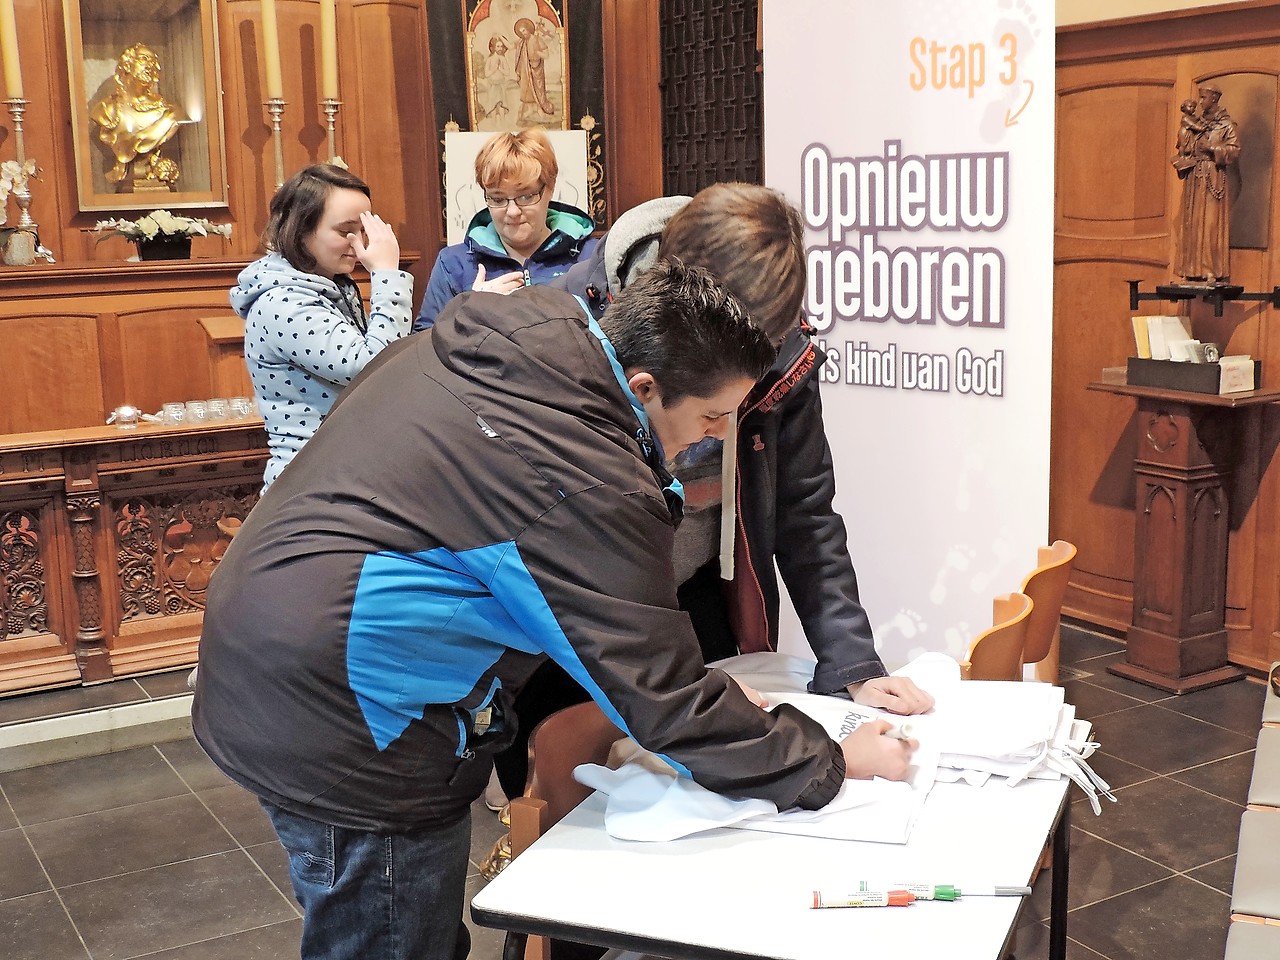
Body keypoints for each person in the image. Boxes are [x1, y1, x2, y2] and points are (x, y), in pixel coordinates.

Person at [192, 260, 918, 960]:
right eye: (712, 415)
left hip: (275, 646)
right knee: (391, 932)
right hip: (342, 716)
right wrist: (827, 761)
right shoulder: (579, 471)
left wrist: (710, 699)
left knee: (404, 928)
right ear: (642, 384)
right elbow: (662, 697)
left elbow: (627, 653)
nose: (719, 435)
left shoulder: (528, 333)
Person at [490, 183, 934, 805]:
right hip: (560, 612)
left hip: (693, 595)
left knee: (702, 797)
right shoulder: (567, 327)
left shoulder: (780, 342)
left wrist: (850, 662)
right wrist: (814, 759)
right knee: (561, 801)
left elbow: (806, 513)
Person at [232, 163, 412, 492]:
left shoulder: (334, 287)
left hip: (347, 476)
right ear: (301, 230)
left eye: (364, 229)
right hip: (313, 487)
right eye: (345, 231)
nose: (359, 244)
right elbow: (374, 367)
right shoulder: (283, 303)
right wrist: (387, 275)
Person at [414, 127, 595, 330]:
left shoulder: (592, 258)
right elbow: (421, 349)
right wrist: (470, 314)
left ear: (549, 188)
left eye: (526, 196)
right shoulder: (454, 264)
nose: (512, 211)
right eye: (498, 199)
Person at [1172, 82, 1240, 282]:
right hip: (1195, 175)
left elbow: (1234, 151)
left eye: (1204, 98)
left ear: (1215, 98)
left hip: (1213, 176)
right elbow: (1184, 144)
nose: (1200, 102)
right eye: (1200, 98)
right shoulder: (1196, 122)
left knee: (1210, 225)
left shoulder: (1226, 125)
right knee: (1191, 223)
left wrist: (1213, 148)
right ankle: (1190, 270)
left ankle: (1211, 270)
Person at [89, 42, 182, 185]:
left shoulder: (169, 111)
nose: (150, 66)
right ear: (127, 65)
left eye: (153, 62)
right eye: (143, 59)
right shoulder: (106, 109)